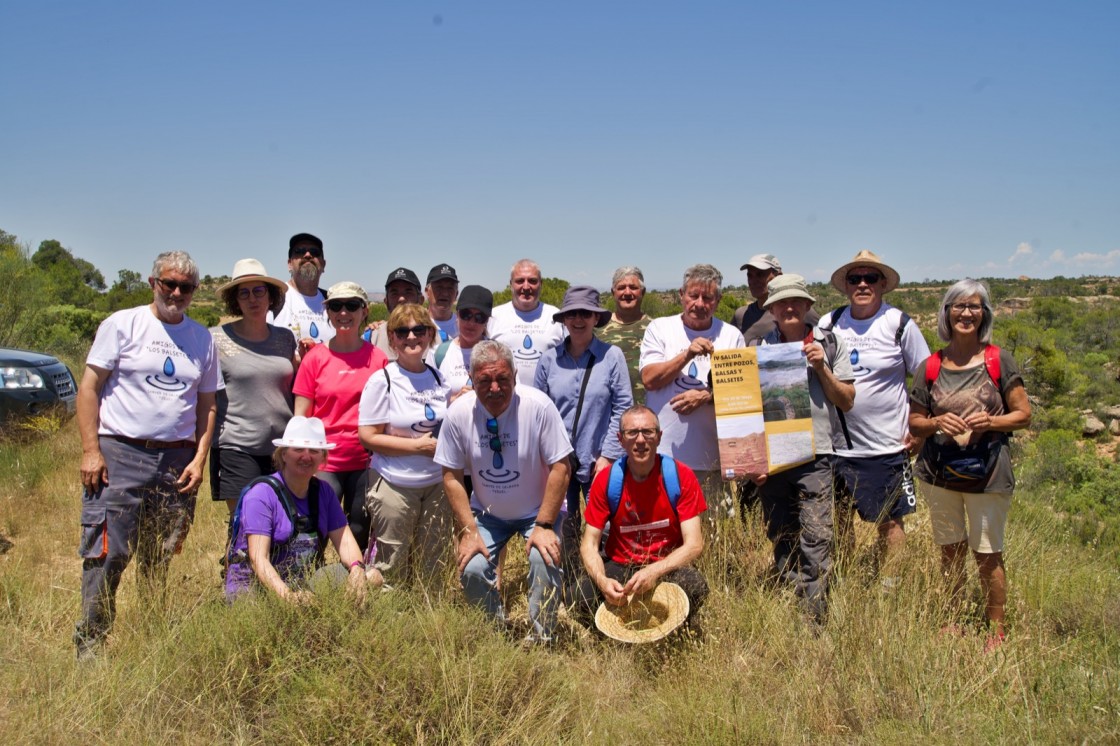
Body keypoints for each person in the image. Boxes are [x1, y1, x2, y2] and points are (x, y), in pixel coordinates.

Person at [74, 251, 221, 660]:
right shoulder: (122, 324)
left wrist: (199, 457)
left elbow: (207, 404)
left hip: (176, 461)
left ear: (194, 291)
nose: (176, 292)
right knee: (108, 553)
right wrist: (91, 451)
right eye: (168, 284)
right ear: (153, 283)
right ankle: (90, 645)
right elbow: (88, 389)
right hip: (120, 454)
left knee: (160, 555)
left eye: (185, 287)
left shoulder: (201, 338)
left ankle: (153, 641)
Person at [908, 279, 1030, 650]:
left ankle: (995, 631)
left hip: (988, 473)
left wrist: (990, 422)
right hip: (940, 473)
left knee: (988, 554)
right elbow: (915, 422)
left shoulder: (997, 359)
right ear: (946, 313)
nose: (965, 313)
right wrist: (937, 423)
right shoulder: (931, 365)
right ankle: (952, 620)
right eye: (958, 306)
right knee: (949, 551)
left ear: (984, 314)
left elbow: (1023, 415)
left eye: (974, 307)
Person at [434, 341, 573, 643]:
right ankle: (495, 633)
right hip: (487, 512)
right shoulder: (458, 414)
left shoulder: (538, 406)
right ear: (471, 380)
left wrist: (545, 524)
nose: (495, 388)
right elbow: (451, 475)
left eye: (503, 379)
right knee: (471, 568)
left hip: (538, 512)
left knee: (544, 559)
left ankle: (542, 637)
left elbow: (561, 467)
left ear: (514, 376)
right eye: (485, 380)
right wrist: (469, 531)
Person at [750, 274, 855, 625]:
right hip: (774, 456)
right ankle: (791, 600)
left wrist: (821, 367)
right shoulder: (758, 349)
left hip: (817, 455)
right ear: (772, 310)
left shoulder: (830, 343)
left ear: (809, 306)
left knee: (817, 534)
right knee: (780, 531)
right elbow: (748, 407)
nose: (790, 307)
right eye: (782, 303)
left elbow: (847, 400)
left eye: (796, 301)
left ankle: (814, 615)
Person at [819, 250, 931, 580]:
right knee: (839, 523)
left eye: (870, 278)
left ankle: (889, 592)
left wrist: (920, 429)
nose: (863, 284)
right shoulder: (830, 323)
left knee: (891, 523)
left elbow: (926, 377)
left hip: (885, 447)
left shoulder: (898, 324)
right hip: (836, 446)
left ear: (883, 284)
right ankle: (843, 581)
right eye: (855, 278)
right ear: (846, 286)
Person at [572, 406, 709, 631]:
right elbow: (589, 544)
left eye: (648, 432)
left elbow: (694, 544)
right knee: (580, 598)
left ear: (659, 437)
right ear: (620, 439)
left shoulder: (680, 475)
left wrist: (654, 571)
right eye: (632, 433)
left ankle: (675, 630)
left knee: (695, 586)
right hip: (621, 565)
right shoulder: (607, 480)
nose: (640, 440)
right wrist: (602, 581)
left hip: (665, 565)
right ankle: (612, 638)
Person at [534, 286, 632, 591]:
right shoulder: (549, 360)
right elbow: (539, 411)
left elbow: (623, 406)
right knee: (563, 526)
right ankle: (566, 586)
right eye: (573, 313)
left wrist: (608, 455)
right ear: (564, 319)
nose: (578, 319)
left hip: (598, 461)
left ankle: (601, 586)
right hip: (558, 463)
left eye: (585, 313)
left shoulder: (611, 356)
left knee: (601, 527)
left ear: (595, 318)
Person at [225, 416, 384, 602]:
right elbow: (258, 559)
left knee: (371, 577)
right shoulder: (261, 494)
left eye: (314, 451)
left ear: (323, 457)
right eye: (298, 449)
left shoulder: (323, 492)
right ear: (283, 454)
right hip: (255, 588)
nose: (306, 456)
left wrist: (357, 569)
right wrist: (288, 597)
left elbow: (346, 543)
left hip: (301, 584)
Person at [358, 303, 453, 590]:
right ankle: (389, 624)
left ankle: (429, 622)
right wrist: (417, 447)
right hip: (394, 484)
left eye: (419, 330)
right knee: (391, 565)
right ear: (392, 338)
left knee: (433, 563)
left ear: (429, 336)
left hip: (436, 485)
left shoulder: (439, 379)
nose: (411, 337)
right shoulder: (383, 380)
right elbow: (368, 437)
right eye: (403, 331)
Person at [639, 264, 745, 519]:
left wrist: (707, 396)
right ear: (681, 295)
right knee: (663, 531)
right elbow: (650, 379)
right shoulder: (660, 328)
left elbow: (741, 394)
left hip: (711, 460)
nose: (699, 303)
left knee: (713, 538)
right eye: (693, 295)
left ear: (718, 300)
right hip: (663, 458)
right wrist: (686, 354)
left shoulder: (731, 336)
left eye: (707, 297)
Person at [293, 281, 389, 553]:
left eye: (352, 306)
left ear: (364, 311)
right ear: (328, 312)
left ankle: (353, 581)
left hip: (365, 459)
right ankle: (310, 579)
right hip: (325, 460)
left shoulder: (378, 359)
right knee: (317, 524)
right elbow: (302, 416)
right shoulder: (315, 359)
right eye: (336, 306)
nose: (343, 312)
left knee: (360, 525)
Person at [210, 259, 297, 518]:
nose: (252, 299)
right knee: (245, 523)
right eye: (244, 292)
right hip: (236, 446)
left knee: (281, 523)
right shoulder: (215, 338)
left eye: (259, 291)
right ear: (235, 300)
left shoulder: (285, 338)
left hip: (281, 448)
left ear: (270, 296)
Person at [487, 259, 565, 387]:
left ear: (541, 284)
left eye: (532, 281)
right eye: (520, 281)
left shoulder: (555, 316)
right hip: (503, 402)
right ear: (511, 284)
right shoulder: (494, 317)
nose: (526, 287)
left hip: (547, 400)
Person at [271, 232, 334, 357]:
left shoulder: (333, 302)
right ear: (289, 264)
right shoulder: (274, 299)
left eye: (315, 252)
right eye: (299, 251)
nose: (307, 255)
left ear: (323, 264)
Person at [732, 253, 819, 342]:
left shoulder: (800, 312)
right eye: (749, 275)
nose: (753, 281)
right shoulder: (741, 316)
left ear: (779, 275)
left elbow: (822, 341)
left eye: (760, 274)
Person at [599, 266, 652, 405]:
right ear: (613, 292)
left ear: (643, 292)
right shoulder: (598, 328)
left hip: (647, 415)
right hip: (609, 415)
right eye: (621, 287)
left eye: (633, 287)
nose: (627, 292)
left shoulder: (656, 329)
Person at [437, 284, 492, 400]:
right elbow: (430, 400)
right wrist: (456, 400)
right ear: (457, 314)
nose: (471, 323)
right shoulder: (439, 354)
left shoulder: (499, 353)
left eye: (479, 317)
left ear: (486, 321)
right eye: (466, 315)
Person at [368, 267, 424, 361]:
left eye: (408, 292)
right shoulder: (372, 338)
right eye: (394, 293)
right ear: (386, 302)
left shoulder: (437, 337)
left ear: (421, 300)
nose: (401, 299)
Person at [425, 263, 460, 342]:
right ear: (427, 292)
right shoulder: (416, 324)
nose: (445, 293)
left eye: (450, 288)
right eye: (439, 287)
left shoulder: (464, 327)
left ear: (456, 294)